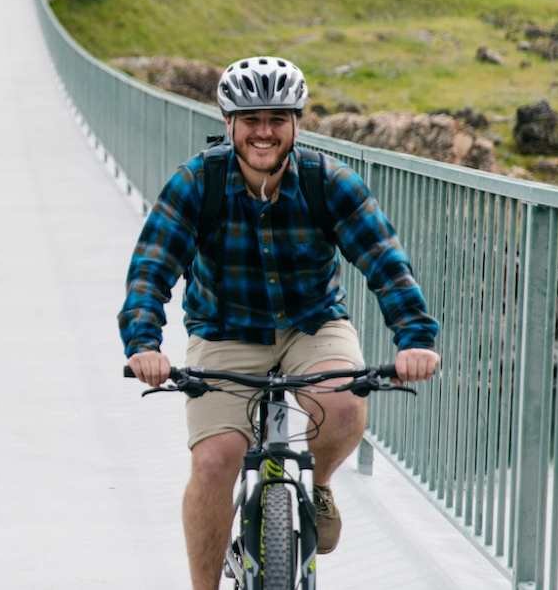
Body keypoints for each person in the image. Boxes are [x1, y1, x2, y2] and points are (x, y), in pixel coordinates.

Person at [119, 56, 440, 590]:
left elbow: (385, 263)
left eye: (277, 119)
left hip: (312, 323)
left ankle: (320, 484)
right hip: (225, 330)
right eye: (251, 120)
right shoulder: (196, 184)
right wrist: (144, 343)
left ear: (296, 123)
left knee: (340, 403)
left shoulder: (330, 182)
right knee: (215, 464)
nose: (264, 132)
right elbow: (151, 271)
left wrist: (415, 340)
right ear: (229, 125)